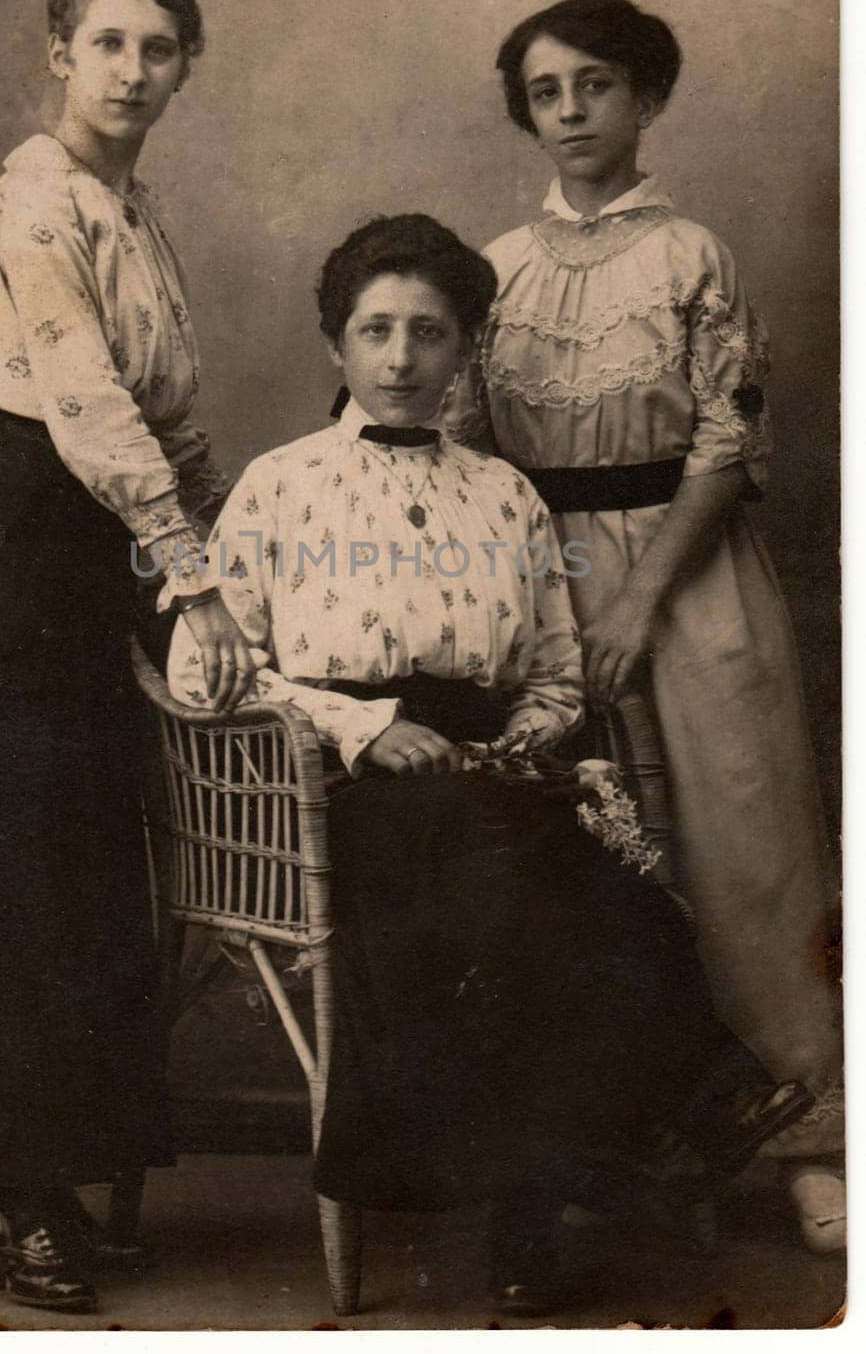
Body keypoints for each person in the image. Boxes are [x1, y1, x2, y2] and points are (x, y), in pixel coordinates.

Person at [167, 213, 812, 1312]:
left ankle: (548, 1200)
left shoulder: (505, 495)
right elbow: (202, 672)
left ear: (464, 350)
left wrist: (530, 733)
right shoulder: (280, 487)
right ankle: (675, 1114)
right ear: (336, 346)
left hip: (482, 773)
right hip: (330, 791)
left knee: (601, 893)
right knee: (513, 884)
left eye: (428, 332)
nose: (401, 358)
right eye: (374, 331)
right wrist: (364, 727)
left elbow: (557, 670)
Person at [0, 0, 255, 1316]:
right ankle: (7, 1192)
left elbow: (176, 421)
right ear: (58, 52)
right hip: (7, 573)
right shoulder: (35, 203)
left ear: (184, 64)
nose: (134, 71)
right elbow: (90, 409)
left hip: (83, 571)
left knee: (82, 884)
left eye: (159, 49)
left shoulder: (132, 214)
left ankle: (37, 1179)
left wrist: (234, 549)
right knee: (16, 890)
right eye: (108, 44)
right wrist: (192, 576)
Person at [445, 0, 844, 1253]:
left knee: (742, 847)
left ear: (647, 97)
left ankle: (809, 1144)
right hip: (542, 584)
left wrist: (636, 591)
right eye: (546, 92)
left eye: (596, 86)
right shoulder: (493, 271)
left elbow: (729, 441)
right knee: (591, 864)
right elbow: (458, 443)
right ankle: (617, 1140)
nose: (570, 112)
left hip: (689, 573)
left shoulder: (693, 258)